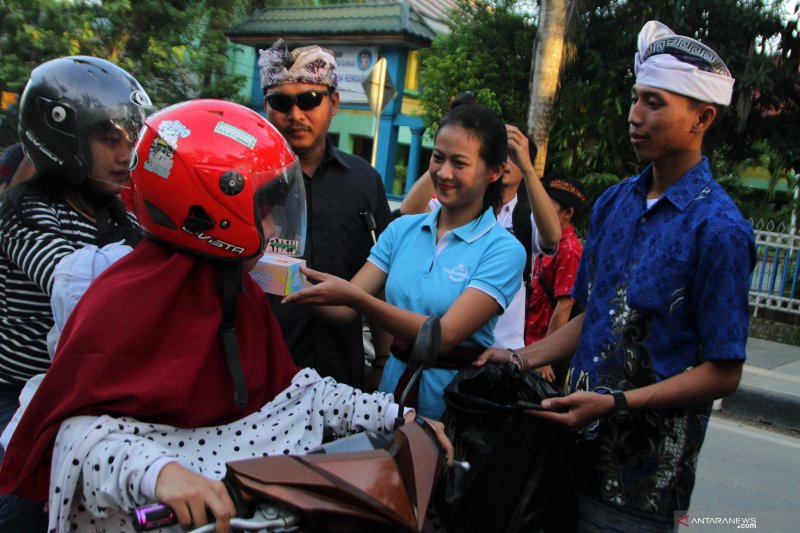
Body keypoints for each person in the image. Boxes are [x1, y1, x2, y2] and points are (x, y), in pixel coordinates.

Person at [0, 99, 452, 533]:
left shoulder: (238, 291)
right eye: (264, 210)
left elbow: (294, 393)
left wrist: (394, 415)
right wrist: (159, 473)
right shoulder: (121, 298)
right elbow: (73, 434)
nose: (274, 228)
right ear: (212, 210)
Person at [477, 20, 756, 531]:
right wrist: (521, 357)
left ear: (703, 117)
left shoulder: (719, 228)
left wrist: (615, 403)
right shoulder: (613, 205)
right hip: (563, 454)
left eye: (654, 102)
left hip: (641, 486)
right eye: (634, 99)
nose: (634, 115)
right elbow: (596, 318)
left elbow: (725, 370)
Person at [285, 104, 527, 421]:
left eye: (460, 163)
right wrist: (280, 274)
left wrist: (358, 299)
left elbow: (443, 337)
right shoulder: (403, 230)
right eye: (438, 157)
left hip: (452, 407)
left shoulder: (503, 250)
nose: (443, 173)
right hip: (389, 401)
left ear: (494, 172)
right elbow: (342, 310)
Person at [0, 56, 148, 531]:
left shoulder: (123, 217)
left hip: (82, 393)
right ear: (64, 139)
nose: (125, 154)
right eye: (109, 140)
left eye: (130, 140)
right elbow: (82, 288)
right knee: (28, 502)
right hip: (18, 394)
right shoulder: (25, 215)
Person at [259, 39, 393, 388]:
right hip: (263, 375)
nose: (295, 115)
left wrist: (380, 360)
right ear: (265, 105)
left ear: (333, 102)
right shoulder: (245, 181)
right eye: (281, 102)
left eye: (309, 100)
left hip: (343, 377)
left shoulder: (365, 181)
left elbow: (380, 281)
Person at [400, 122, 562, 352]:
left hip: (501, 353)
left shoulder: (526, 219)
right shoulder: (455, 210)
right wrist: (446, 157)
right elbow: (411, 208)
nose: (506, 162)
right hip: (449, 345)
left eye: (514, 156)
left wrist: (528, 169)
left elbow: (553, 236)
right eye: (500, 153)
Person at [525, 173, 586, 386]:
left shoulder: (569, 250)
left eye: (547, 205)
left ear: (568, 212)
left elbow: (564, 307)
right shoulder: (549, 243)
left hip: (544, 359)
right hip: (530, 346)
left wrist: (545, 357)